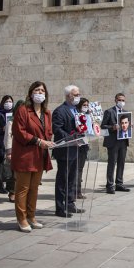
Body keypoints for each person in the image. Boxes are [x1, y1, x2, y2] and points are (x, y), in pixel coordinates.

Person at [11, 81, 54, 232]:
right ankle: (21, 218)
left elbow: (48, 132)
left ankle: (31, 216)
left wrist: (48, 141)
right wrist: (38, 141)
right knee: (23, 188)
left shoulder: (47, 113)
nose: (40, 93)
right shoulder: (23, 110)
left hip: (40, 155)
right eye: (37, 90)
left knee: (34, 188)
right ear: (31, 93)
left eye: (42, 90)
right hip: (25, 155)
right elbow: (19, 132)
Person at [52, 85, 85, 217]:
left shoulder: (76, 110)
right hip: (64, 150)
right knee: (63, 179)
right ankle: (60, 208)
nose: (78, 97)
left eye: (78, 94)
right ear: (67, 96)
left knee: (72, 178)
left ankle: (70, 203)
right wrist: (71, 138)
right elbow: (57, 129)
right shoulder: (60, 111)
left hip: (75, 149)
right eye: (75, 94)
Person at [101, 93, 130, 194]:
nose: (121, 102)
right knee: (112, 163)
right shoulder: (109, 112)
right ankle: (109, 185)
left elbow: (126, 125)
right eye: (119, 100)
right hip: (113, 142)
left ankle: (119, 184)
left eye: (123, 100)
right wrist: (112, 127)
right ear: (115, 100)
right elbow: (103, 126)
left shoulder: (126, 112)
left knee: (121, 163)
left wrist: (130, 127)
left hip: (123, 141)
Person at [3, 100, 24, 203]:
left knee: (20, 174)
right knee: (12, 173)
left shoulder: (25, 120)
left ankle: (18, 193)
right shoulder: (11, 121)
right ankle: (12, 192)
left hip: (23, 151)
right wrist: (9, 152)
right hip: (13, 150)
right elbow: (8, 137)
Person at [75, 98, 91, 199]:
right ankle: (75, 191)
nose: (86, 107)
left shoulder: (88, 116)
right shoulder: (76, 115)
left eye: (87, 105)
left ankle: (78, 190)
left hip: (85, 144)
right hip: (77, 144)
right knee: (76, 169)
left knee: (80, 168)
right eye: (84, 105)